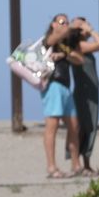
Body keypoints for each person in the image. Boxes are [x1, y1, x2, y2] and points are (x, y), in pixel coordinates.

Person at [38, 13, 83, 179]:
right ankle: (51, 167)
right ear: (53, 24)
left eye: (67, 22)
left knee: (74, 126)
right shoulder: (49, 39)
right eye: (62, 22)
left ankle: (76, 164)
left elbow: (79, 59)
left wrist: (64, 55)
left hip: (65, 87)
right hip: (53, 85)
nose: (65, 25)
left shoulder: (65, 45)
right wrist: (72, 26)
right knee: (52, 126)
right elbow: (54, 38)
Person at [69, 16, 99, 175]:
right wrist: (90, 30)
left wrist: (88, 29)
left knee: (90, 126)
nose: (88, 27)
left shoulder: (84, 45)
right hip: (83, 92)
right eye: (83, 26)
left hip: (91, 92)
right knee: (81, 126)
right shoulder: (79, 45)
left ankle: (86, 164)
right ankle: (77, 163)